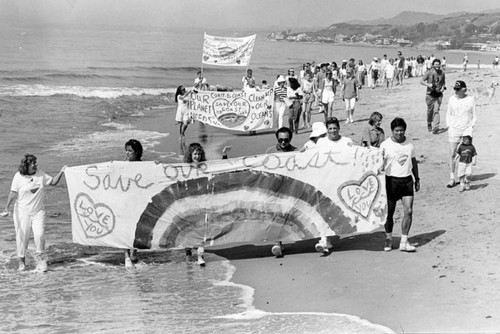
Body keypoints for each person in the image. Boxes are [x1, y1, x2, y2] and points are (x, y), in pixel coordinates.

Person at [1, 154, 67, 271]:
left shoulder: (40, 174)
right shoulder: (18, 176)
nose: (36, 164)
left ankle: (41, 262)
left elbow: (53, 182)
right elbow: (12, 193)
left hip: (38, 212)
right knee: (22, 237)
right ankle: (22, 263)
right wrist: (6, 208)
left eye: (36, 162)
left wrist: (61, 172)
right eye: (34, 163)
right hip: (22, 212)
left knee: (39, 235)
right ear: (27, 165)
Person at [183, 142, 230, 265]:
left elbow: (221, 168)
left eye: (199, 154)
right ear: (190, 155)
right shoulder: (184, 168)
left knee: (201, 229)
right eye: (195, 154)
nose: (197, 156)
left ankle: (200, 256)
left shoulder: (205, 166)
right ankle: (188, 254)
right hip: (188, 202)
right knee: (188, 230)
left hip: (202, 201)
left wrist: (224, 155)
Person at [380, 117, 420, 252]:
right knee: (389, 213)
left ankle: (404, 241)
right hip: (391, 181)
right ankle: (389, 238)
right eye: (396, 131)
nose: (399, 133)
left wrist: (417, 178)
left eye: (401, 131)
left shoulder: (409, 143)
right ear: (392, 131)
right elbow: (377, 164)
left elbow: (413, 161)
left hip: (407, 180)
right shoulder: (385, 145)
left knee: (408, 211)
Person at [445, 80, 477, 188]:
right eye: (455, 89)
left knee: (466, 153)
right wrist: (449, 126)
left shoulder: (470, 99)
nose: (455, 91)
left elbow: (474, 114)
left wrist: (471, 126)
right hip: (454, 129)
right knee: (453, 153)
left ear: (464, 89)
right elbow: (448, 113)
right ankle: (452, 177)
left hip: (466, 129)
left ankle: (463, 177)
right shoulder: (452, 99)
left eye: (458, 89)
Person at [123, 139, 143, 267]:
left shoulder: (143, 165)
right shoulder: (121, 165)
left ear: (137, 152)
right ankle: (126, 256)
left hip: (138, 201)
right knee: (124, 228)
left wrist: (157, 165)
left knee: (137, 227)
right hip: (125, 200)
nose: (127, 153)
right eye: (126, 150)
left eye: (130, 151)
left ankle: (134, 252)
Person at [420, 58, 446, 134]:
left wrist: (443, 88)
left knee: (436, 110)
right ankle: (429, 122)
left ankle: (436, 127)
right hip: (430, 95)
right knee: (430, 111)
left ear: (440, 65)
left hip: (438, 95)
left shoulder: (442, 73)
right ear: (433, 65)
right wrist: (428, 84)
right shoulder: (429, 72)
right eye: (436, 64)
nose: (437, 66)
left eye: (438, 64)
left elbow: (443, 82)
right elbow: (421, 81)